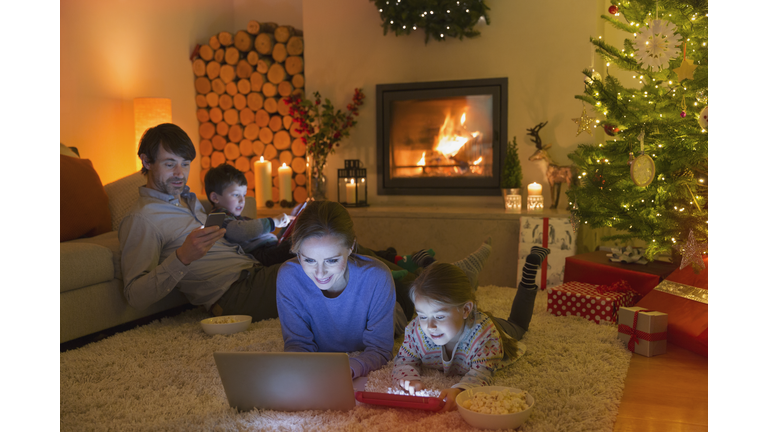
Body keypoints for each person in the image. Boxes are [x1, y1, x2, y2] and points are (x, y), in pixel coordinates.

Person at [119, 123, 284, 320]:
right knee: (310, 273)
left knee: (317, 252)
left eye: (185, 163)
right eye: (170, 164)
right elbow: (135, 296)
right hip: (235, 294)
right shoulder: (142, 219)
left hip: (256, 271)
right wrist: (182, 257)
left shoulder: (188, 200)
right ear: (147, 162)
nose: (180, 173)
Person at [392, 243, 551, 412]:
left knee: (518, 324)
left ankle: (530, 272)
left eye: (439, 316)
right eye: (422, 315)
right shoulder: (416, 331)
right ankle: (429, 264)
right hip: (465, 320)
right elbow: (404, 360)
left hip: (499, 328)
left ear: (466, 309)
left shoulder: (485, 336)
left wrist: (460, 390)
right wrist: (408, 379)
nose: (429, 326)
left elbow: (482, 372)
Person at [275, 200, 397, 379]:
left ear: (350, 248)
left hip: (392, 303)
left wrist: (352, 367)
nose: (320, 272)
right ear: (297, 252)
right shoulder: (289, 277)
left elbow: (381, 349)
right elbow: (298, 344)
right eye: (309, 260)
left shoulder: (376, 278)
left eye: (332, 260)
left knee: (414, 287)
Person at [203, 164, 294, 266]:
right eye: (236, 195)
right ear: (215, 197)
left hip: (269, 248)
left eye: (244, 195)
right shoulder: (219, 218)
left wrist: (285, 229)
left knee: (296, 239)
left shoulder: (236, 218)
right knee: (298, 245)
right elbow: (240, 231)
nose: (242, 200)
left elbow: (260, 235)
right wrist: (273, 222)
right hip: (261, 253)